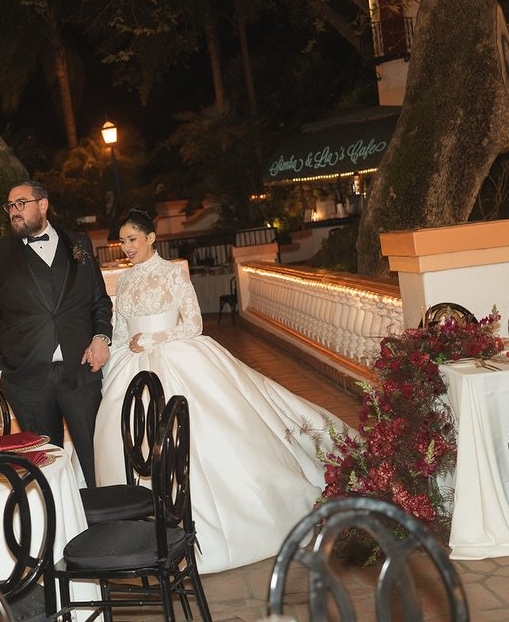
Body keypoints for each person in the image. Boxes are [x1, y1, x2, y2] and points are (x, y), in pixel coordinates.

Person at [94, 208, 344, 574]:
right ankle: (142, 529)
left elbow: (194, 323)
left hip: (176, 355)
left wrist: (155, 338)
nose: (127, 246)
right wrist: (114, 356)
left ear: (151, 238)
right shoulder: (125, 282)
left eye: (133, 239)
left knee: (207, 432)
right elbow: (119, 330)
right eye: (122, 241)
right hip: (131, 366)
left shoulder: (171, 273)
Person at [0, 180, 113, 485]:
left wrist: (101, 337)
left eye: (20, 204)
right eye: (10, 206)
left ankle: (106, 524)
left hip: (81, 371)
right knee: (44, 469)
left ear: (43, 204)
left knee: (96, 458)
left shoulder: (79, 244)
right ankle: (59, 530)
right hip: (26, 381)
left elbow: (99, 301)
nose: (14, 212)